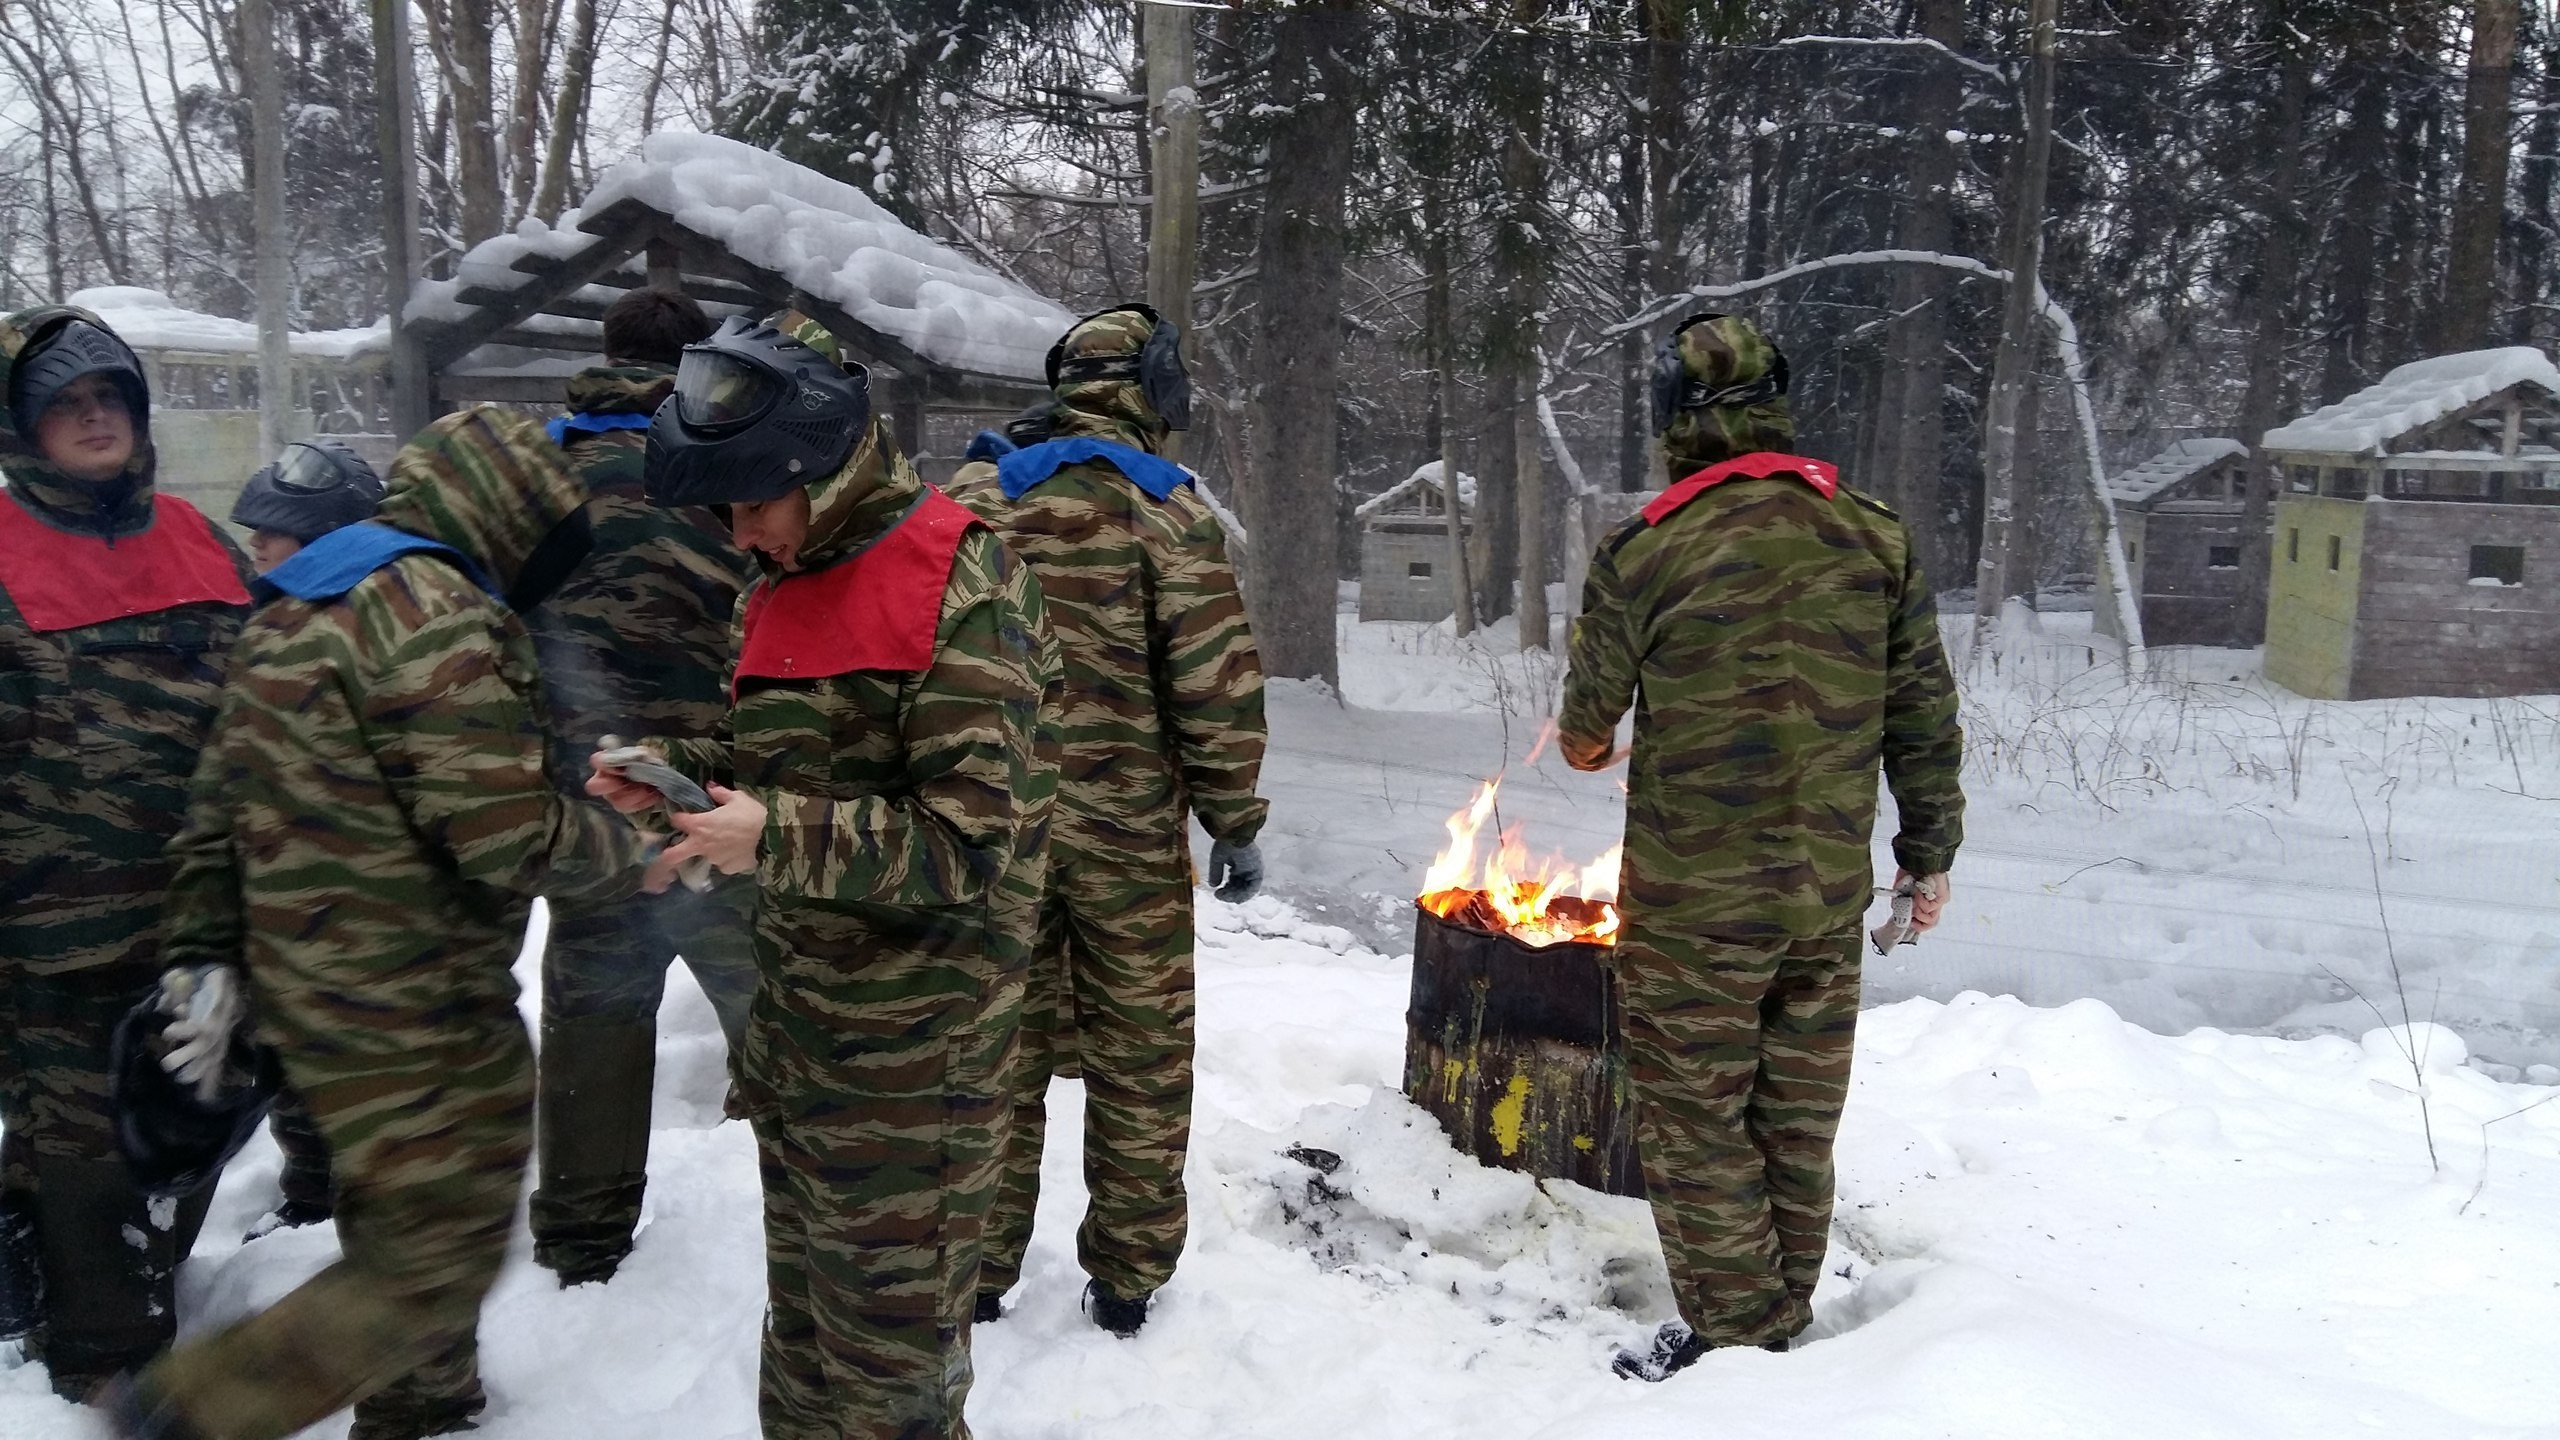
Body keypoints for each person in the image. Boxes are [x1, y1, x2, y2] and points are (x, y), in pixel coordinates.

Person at [107, 406, 664, 1440]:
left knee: (393, 1203)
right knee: (437, 1252)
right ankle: (189, 1414)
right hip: (419, 1004)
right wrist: (643, 850)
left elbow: (213, 820)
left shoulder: (290, 606)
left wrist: (199, 957)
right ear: (503, 513)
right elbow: (502, 835)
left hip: (312, 995)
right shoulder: (436, 607)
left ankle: (424, 1401)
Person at [590, 313, 1049, 1439]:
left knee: (890, 1384)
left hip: (914, 1071)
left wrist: (775, 836)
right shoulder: (781, 578)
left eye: (754, 506)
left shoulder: (959, 581)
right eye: (723, 511)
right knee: (805, 1353)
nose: (741, 535)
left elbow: (973, 842)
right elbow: (782, 765)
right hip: (805, 1042)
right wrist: (684, 780)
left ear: (824, 463)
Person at [1556, 312, 1964, 1380]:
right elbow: (1923, 713)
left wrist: (1605, 741)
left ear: (1672, 419)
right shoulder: (1873, 533)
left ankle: (1739, 1348)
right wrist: (1927, 854)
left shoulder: (1646, 548)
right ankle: (1781, 1318)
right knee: (1795, 1115)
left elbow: (1584, 731)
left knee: (1697, 1124)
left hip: (1694, 912)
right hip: (1823, 897)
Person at [944, 303, 1268, 1337]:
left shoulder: (963, 500)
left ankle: (979, 1264)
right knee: (1140, 1051)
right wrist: (1233, 817)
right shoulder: (1165, 510)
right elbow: (1214, 683)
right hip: (1123, 837)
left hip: (985, 829)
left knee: (993, 1044)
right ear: (1152, 391)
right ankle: (1127, 1274)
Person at [0, 305, 253, 1396]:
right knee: (81, 1147)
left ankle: (100, 1270)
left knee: (187, 1121)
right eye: (66, 401)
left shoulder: (201, 540)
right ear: (23, 428)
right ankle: (100, 1369)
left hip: (201, 913)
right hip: (53, 933)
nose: (94, 416)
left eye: (110, 395)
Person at [524, 287, 759, 1287]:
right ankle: (815, 1202)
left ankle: (581, 1241)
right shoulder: (725, 466)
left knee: (593, 1009)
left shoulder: (537, 474)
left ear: (604, 351)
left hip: (587, 801)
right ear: (691, 359)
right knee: (772, 999)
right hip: (713, 801)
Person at [226, 437, 389, 1240]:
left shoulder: (385, 628)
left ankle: (340, 1202)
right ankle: (312, 1194)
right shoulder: (273, 621)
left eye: (275, 531)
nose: (257, 545)